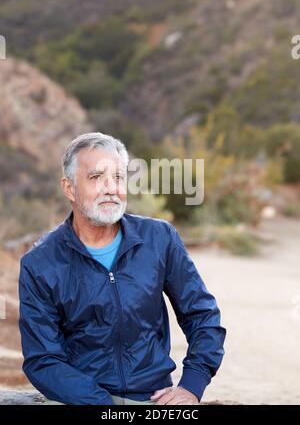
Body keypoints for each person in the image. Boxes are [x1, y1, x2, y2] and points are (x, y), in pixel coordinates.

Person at [19, 132, 226, 405]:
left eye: (118, 177)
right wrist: (103, 406)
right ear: (69, 188)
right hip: (80, 401)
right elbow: (43, 359)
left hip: (153, 398)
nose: (111, 188)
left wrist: (192, 384)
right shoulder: (40, 263)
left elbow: (202, 315)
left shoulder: (159, 238)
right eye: (95, 178)